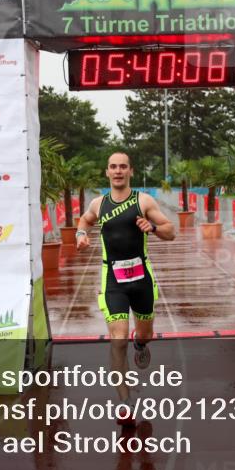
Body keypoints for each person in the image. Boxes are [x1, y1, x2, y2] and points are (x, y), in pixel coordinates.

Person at [75, 152, 175, 426]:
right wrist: (81, 234)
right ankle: (124, 403)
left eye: (123, 167)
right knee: (117, 340)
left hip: (142, 280)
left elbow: (171, 231)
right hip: (113, 282)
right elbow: (84, 220)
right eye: (113, 167)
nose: (118, 171)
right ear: (106, 172)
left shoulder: (143, 201)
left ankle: (140, 343)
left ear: (130, 171)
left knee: (144, 334)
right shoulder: (99, 203)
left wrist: (152, 227)